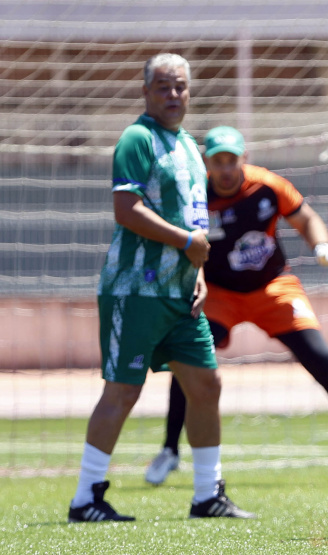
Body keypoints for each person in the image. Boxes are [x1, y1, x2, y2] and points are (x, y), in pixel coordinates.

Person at [68, 54, 254, 522]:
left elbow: (195, 224)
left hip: (182, 296)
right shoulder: (137, 139)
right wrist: (187, 242)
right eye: (164, 87)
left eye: (181, 88)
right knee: (123, 391)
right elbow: (126, 209)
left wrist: (201, 275)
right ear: (147, 92)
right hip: (136, 291)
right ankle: (86, 498)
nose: (174, 95)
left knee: (206, 385)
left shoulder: (191, 145)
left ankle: (207, 494)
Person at [144, 125, 328, 485]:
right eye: (217, 161)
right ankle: (170, 450)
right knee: (187, 360)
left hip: (273, 288)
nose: (224, 168)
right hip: (219, 294)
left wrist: (321, 246)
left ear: (243, 159)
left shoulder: (268, 185)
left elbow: (306, 218)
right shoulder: (197, 195)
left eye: (230, 160)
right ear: (207, 162)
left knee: (320, 358)